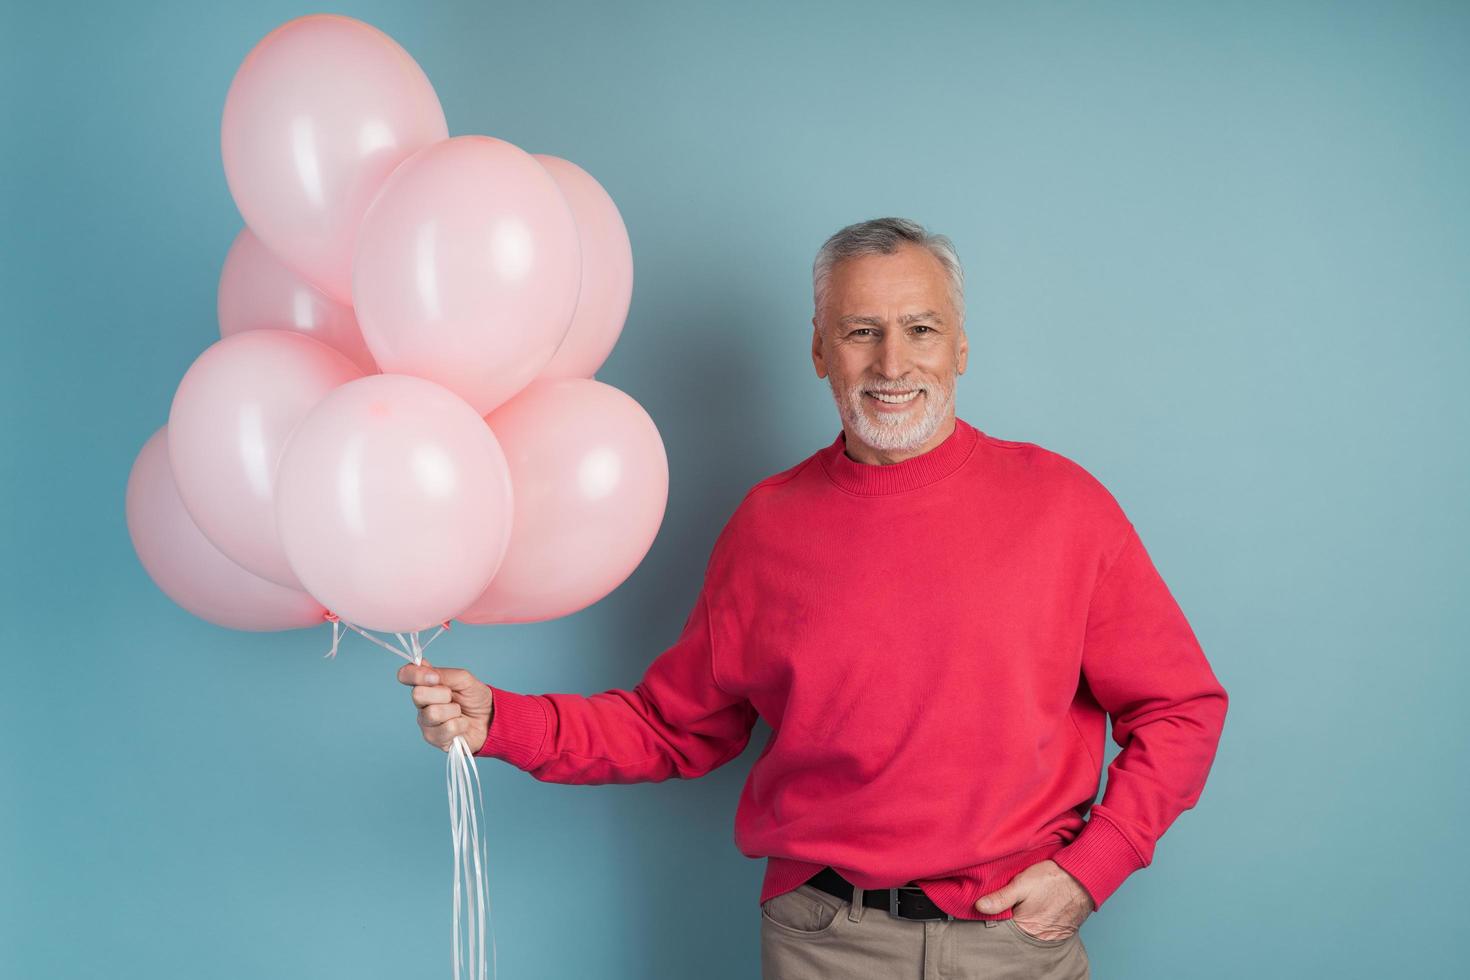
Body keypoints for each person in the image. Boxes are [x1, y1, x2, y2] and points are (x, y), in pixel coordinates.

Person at [397, 217, 1229, 979]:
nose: (892, 364)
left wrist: (1097, 865)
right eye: (861, 331)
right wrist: (501, 721)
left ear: (962, 348)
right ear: (820, 351)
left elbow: (1183, 707)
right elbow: (674, 726)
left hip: (1013, 941)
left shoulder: (1063, 507)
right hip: (825, 943)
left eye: (921, 330)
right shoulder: (768, 527)